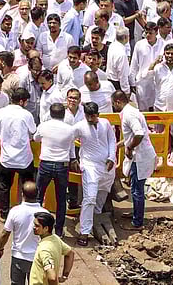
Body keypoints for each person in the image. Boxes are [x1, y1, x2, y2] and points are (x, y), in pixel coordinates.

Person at [0, 87, 37, 220]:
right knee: (28, 187)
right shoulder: (27, 115)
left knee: (4, 187)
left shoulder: (0, 113)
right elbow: (33, 131)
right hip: (25, 159)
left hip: (7, 159)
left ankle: (3, 214)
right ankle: (28, 214)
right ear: (22, 102)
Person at [72, 102, 116, 246]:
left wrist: (111, 158)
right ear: (85, 115)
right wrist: (73, 158)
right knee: (90, 197)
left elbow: (112, 140)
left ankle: (95, 218)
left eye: (93, 116)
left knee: (102, 193)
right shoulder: (79, 126)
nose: (91, 119)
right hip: (90, 166)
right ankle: (84, 231)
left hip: (107, 166)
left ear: (98, 114)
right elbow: (69, 141)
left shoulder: (105, 123)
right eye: (88, 116)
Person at [113, 90, 155, 229]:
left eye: (114, 104)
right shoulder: (132, 111)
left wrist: (129, 148)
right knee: (135, 188)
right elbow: (132, 134)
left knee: (137, 190)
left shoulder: (129, 115)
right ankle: (136, 214)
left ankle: (137, 223)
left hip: (140, 157)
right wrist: (119, 145)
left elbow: (139, 134)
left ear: (118, 102)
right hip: (140, 155)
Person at [33, 102, 76, 236]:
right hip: (62, 166)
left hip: (45, 163)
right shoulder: (70, 129)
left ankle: (38, 226)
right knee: (61, 199)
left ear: (50, 114)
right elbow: (71, 147)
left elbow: (36, 139)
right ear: (63, 114)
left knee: (39, 196)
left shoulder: (43, 126)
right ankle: (58, 229)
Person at [0, 181, 43, 285]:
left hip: (18, 257)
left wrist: (0, 248)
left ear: (22, 195)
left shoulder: (15, 211)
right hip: (37, 257)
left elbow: (5, 233)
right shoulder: (45, 213)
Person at [28, 212, 75, 285]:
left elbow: (52, 277)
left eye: (37, 226)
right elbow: (70, 253)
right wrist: (65, 276)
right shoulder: (55, 238)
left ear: (46, 228)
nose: (34, 227)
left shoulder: (44, 250)